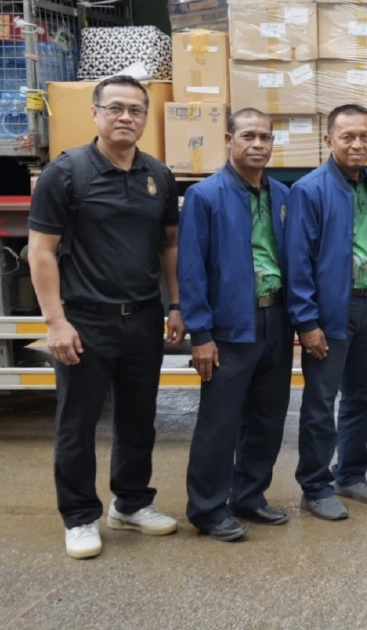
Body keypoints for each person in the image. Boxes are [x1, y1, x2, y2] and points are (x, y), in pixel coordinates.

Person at [27, 75, 184, 559]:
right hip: (84, 320)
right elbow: (41, 252)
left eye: (136, 110)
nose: (126, 117)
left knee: (139, 418)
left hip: (141, 317)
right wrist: (55, 321)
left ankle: (131, 504)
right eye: (115, 108)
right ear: (95, 113)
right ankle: (78, 517)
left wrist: (175, 305)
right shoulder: (67, 173)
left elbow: (169, 246)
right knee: (78, 422)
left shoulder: (158, 174)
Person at [178, 108, 293, 541]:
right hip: (229, 328)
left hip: (274, 320)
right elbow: (191, 270)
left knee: (268, 417)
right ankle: (206, 508)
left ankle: (249, 495)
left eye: (265, 136)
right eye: (249, 136)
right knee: (220, 421)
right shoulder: (206, 197)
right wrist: (201, 335)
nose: (258, 144)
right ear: (229, 140)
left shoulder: (282, 195)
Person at [286, 104, 367, 521]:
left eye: (364, 136)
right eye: (347, 136)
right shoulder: (309, 190)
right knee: (320, 401)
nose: (357, 144)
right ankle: (314, 487)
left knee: (361, 396)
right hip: (331, 310)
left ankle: (350, 473)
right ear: (328, 140)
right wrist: (307, 321)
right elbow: (297, 262)